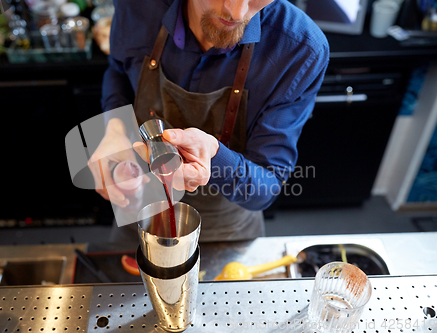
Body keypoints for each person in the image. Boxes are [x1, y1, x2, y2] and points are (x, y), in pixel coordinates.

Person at [89, 0, 329, 242]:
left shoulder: (300, 49)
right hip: (140, 202)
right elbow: (118, 68)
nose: (237, 13)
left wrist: (215, 158)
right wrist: (115, 127)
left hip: (224, 225)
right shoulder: (138, 6)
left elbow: (267, 187)